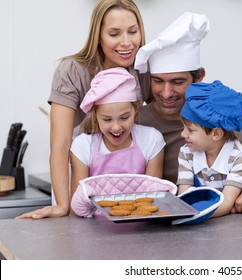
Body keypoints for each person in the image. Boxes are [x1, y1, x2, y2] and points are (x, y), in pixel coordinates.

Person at [17, 0, 149, 219]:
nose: (126, 43)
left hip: (126, 181)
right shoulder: (72, 71)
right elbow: (60, 145)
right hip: (79, 181)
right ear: (98, 35)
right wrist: (63, 205)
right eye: (114, 34)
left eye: (133, 32)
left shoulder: (143, 69)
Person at [134, 12, 242, 214]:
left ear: (199, 77)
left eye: (177, 82)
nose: (165, 93)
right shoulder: (136, 121)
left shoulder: (225, 121)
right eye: (157, 81)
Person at [70, 67, 165, 197]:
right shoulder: (83, 146)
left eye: (124, 117)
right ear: (95, 115)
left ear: (136, 109)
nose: (116, 127)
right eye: (107, 119)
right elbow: (78, 205)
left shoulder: (151, 140)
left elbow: (154, 198)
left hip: (142, 217)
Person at [177, 80, 242, 217]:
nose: (183, 134)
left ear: (216, 134)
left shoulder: (240, 158)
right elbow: (185, 196)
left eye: (190, 129)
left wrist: (190, 216)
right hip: (199, 223)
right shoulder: (187, 152)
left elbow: (226, 203)